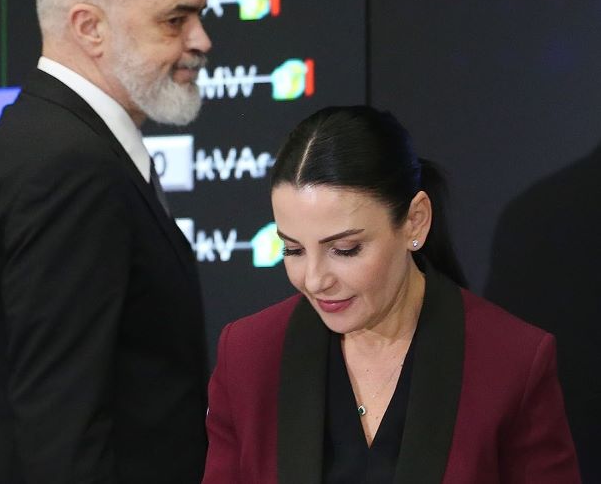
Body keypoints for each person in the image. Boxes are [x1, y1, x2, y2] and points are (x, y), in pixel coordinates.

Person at [0, 0, 211, 482]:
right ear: (90, 28)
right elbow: (62, 430)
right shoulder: (69, 170)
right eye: (174, 20)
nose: (200, 41)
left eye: (199, 17)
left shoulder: (44, 145)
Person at [203, 106, 581, 483]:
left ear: (415, 221)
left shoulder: (511, 362)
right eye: (293, 249)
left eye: (345, 249)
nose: (315, 280)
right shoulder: (248, 357)